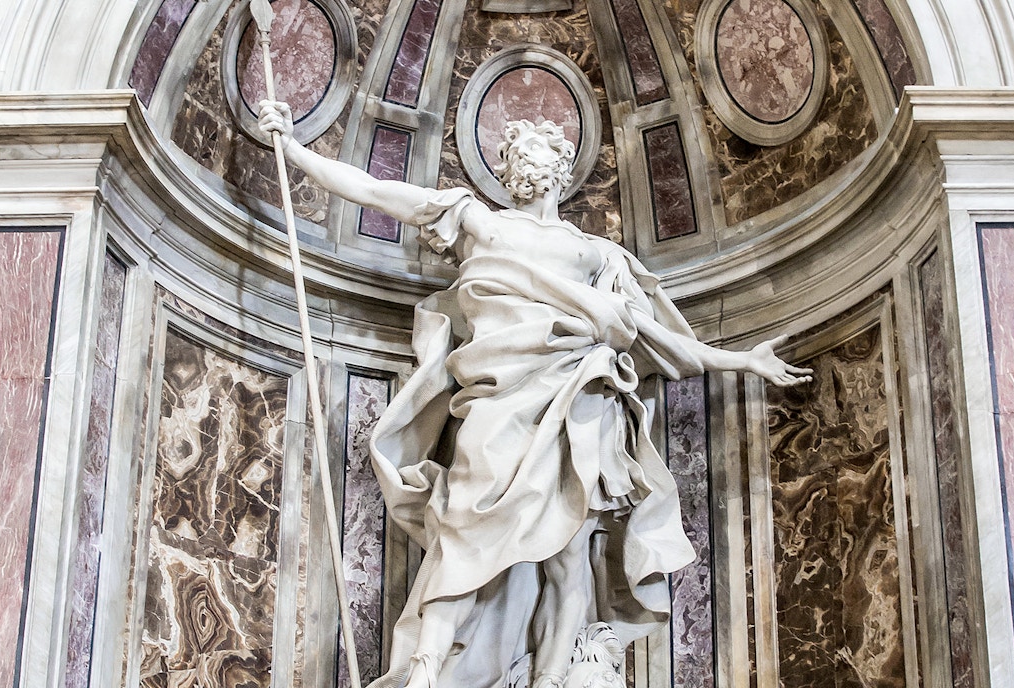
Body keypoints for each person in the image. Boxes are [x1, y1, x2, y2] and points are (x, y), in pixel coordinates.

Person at [258, 101, 812, 688]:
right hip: (496, 401)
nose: (525, 160)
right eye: (514, 152)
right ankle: (422, 670)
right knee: (465, 530)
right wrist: (294, 151)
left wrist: (743, 359)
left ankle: (550, 678)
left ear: (563, 167)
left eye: (538, 150)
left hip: (575, 404)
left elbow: (662, 340)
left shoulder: (597, 255)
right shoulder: (480, 221)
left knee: (569, 555)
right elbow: (376, 190)